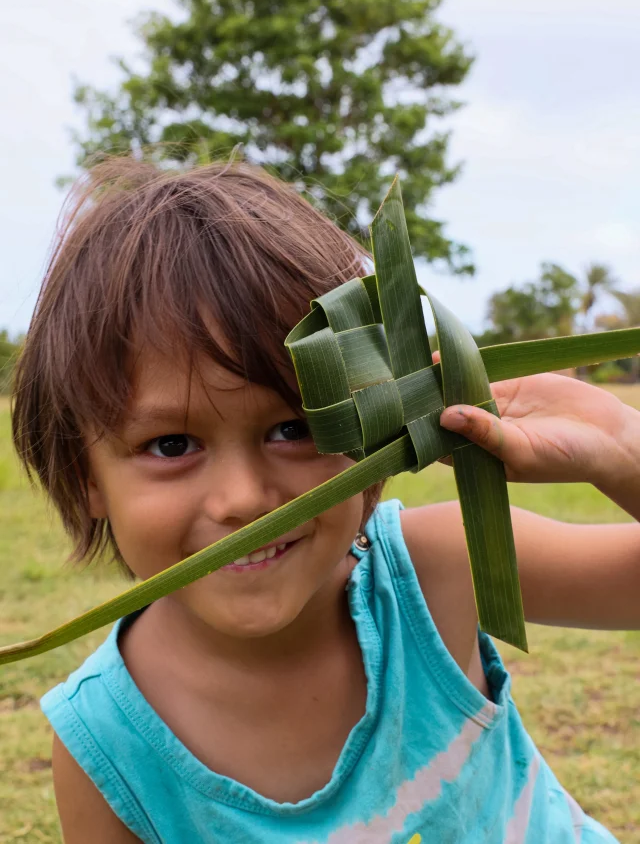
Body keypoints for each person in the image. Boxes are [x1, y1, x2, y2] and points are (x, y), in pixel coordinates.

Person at [11, 157, 639, 844]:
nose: (244, 500)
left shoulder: (432, 575)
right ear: (86, 475)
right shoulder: (106, 745)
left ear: (373, 420)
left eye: (295, 428)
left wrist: (625, 449)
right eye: (171, 445)